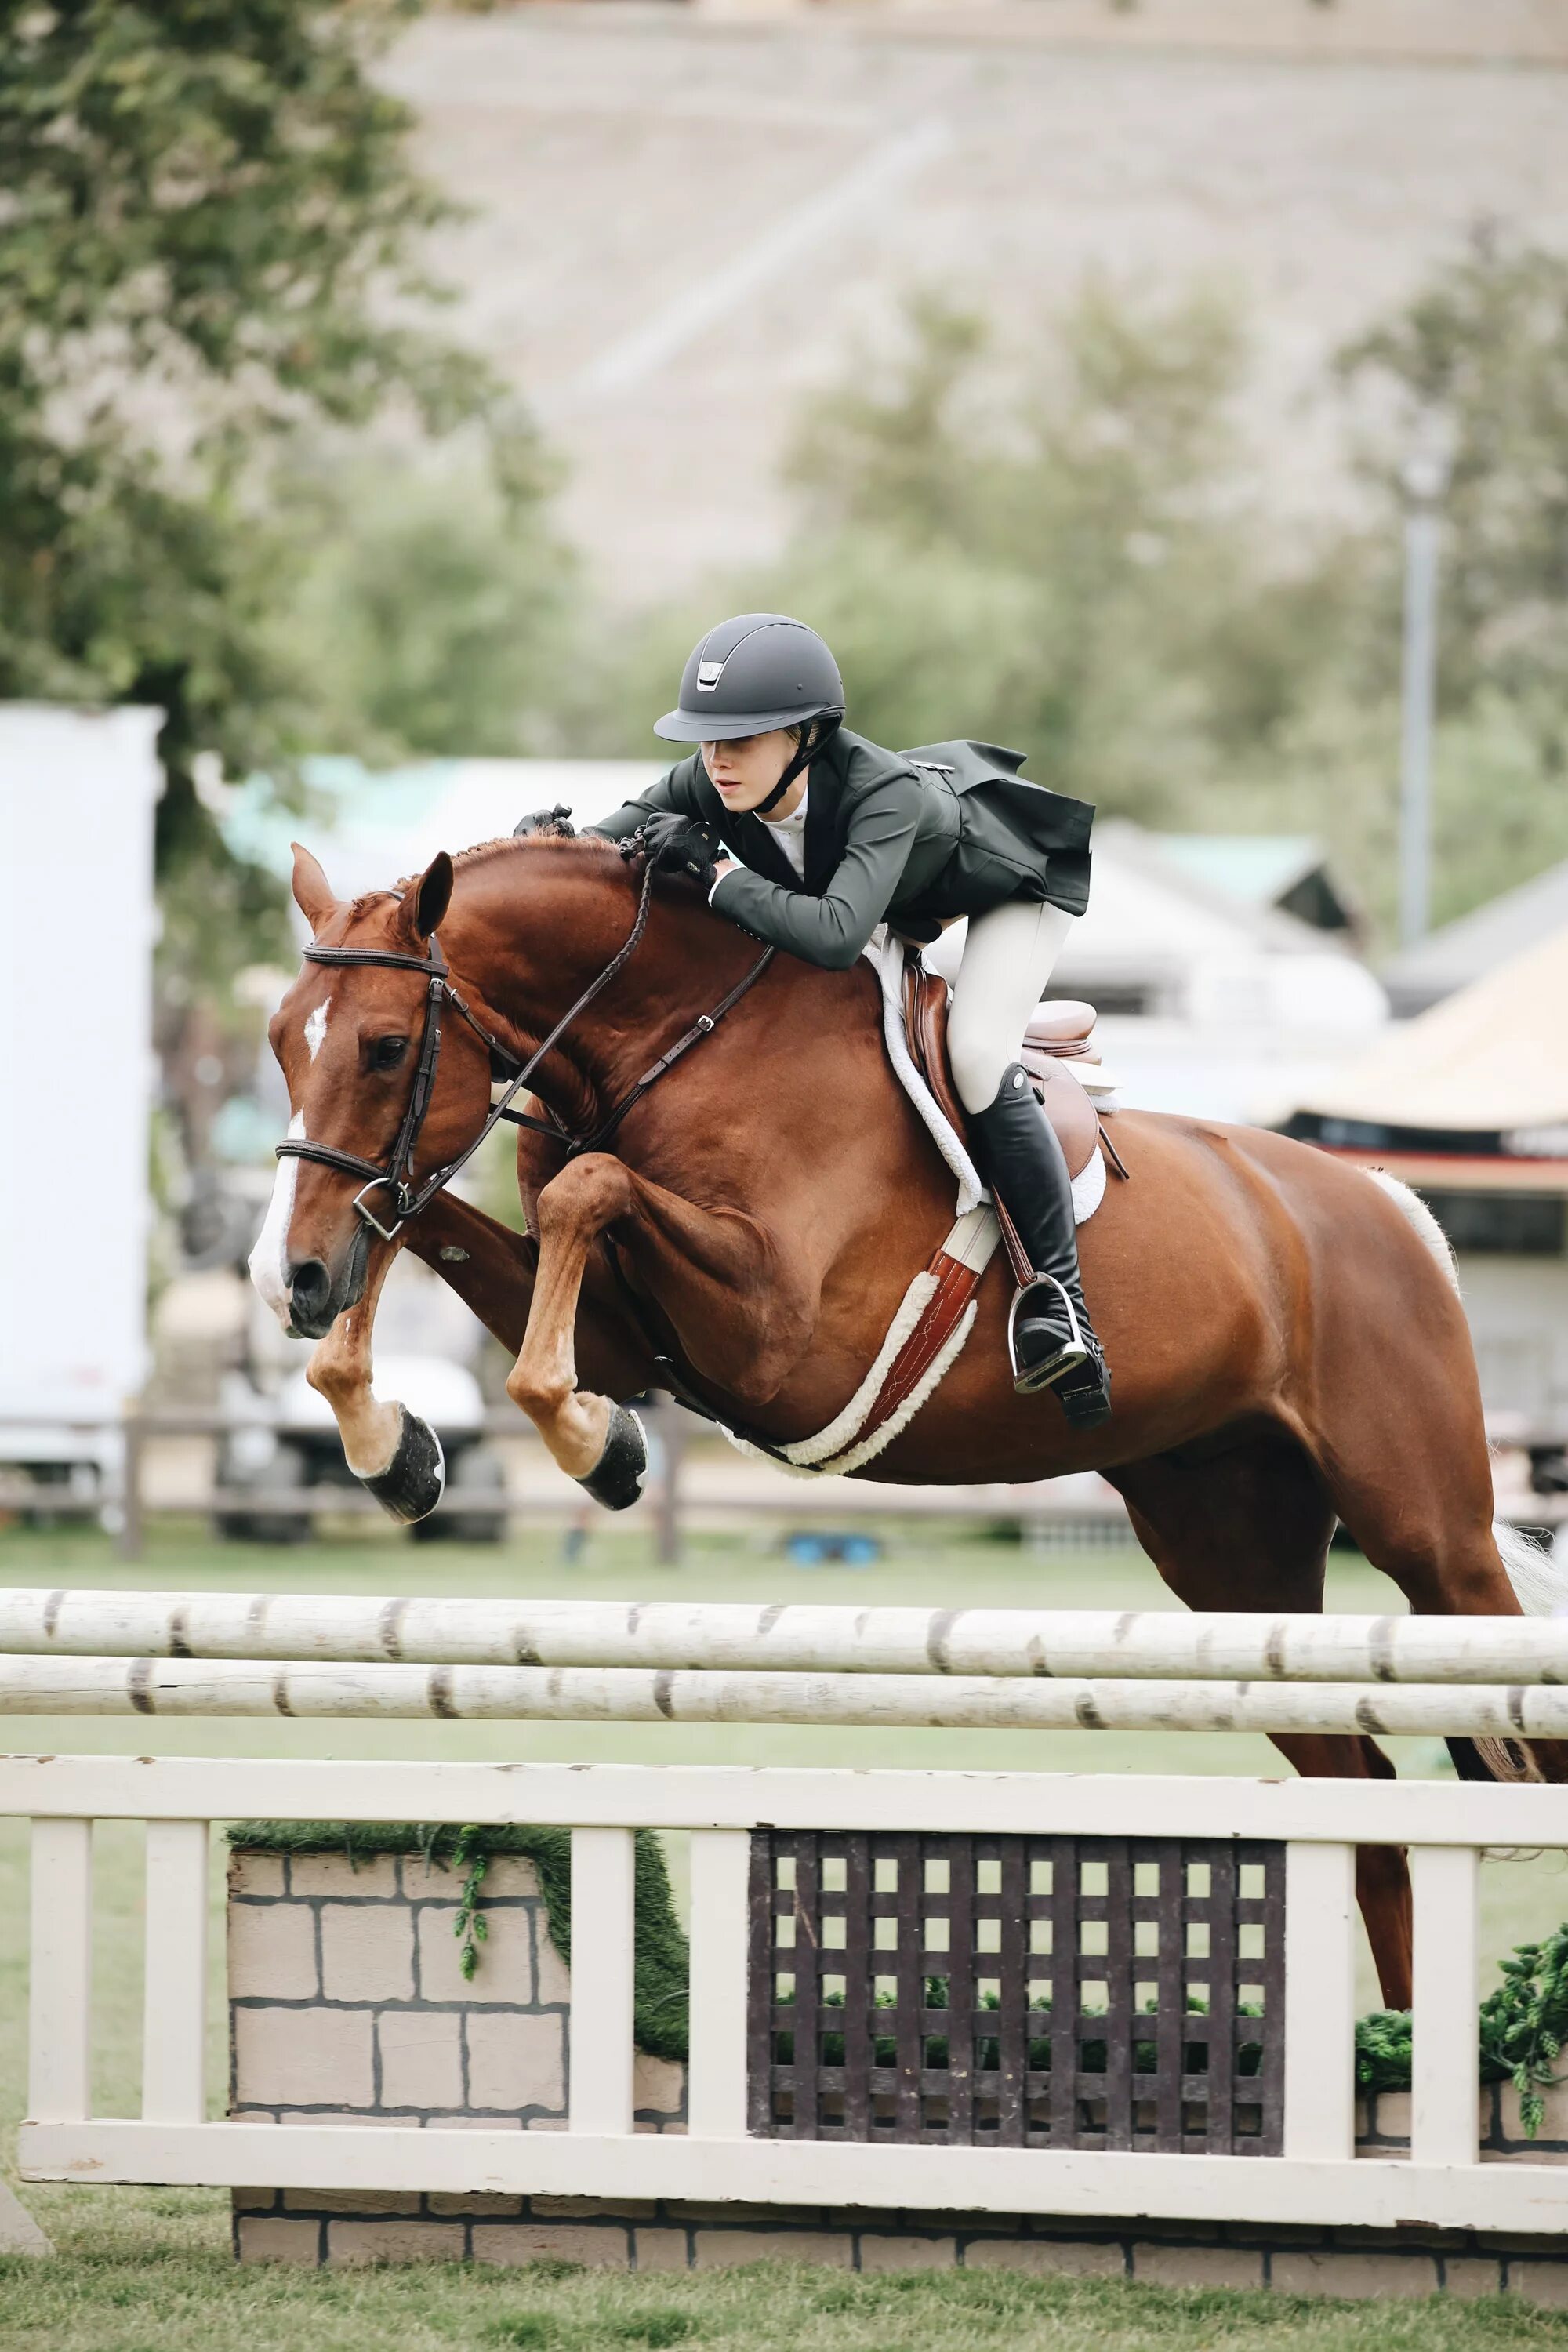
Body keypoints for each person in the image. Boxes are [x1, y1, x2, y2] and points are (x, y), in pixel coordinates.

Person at [585, 612, 1110, 1425]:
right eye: (705, 741)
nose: (716, 761)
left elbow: (832, 935)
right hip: (893, 902)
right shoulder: (712, 777)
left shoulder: (881, 791)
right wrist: (547, 842)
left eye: (741, 741)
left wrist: (720, 876)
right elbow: (602, 845)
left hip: (1010, 891)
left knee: (973, 1054)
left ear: (804, 736)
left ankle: (1059, 1303)